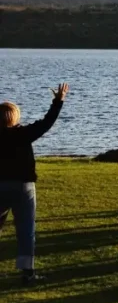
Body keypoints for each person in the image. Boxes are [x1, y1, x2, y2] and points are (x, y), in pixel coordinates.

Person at [0, 83, 68, 284]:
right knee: (26, 230)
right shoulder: (23, 134)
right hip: (23, 187)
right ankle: (27, 273)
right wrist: (58, 100)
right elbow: (47, 122)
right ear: (15, 117)